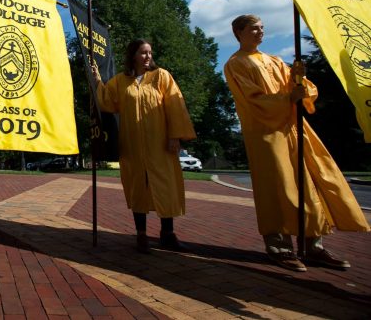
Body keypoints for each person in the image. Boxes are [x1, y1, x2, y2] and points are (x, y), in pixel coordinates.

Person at [224, 14, 369, 272]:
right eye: (254, 29)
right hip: (265, 133)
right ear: (239, 32)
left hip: (292, 128)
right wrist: (287, 98)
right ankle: (279, 246)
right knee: (277, 186)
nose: (260, 32)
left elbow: (301, 91)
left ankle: (312, 244)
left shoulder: (274, 60)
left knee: (307, 184)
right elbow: (251, 99)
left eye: (262, 28)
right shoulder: (236, 64)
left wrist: (300, 82)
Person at [92, 39, 196, 253]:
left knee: (165, 186)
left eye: (149, 52)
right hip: (132, 144)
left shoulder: (161, 77)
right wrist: (97, 81)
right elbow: (108, 103)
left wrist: (175, 136)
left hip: (160, 143)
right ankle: (141, 235)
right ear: (133, 56)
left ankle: (167, 234)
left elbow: (175, 106)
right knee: (137, 186)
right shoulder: (121, 81)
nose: (148, 56)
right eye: (143, 53)